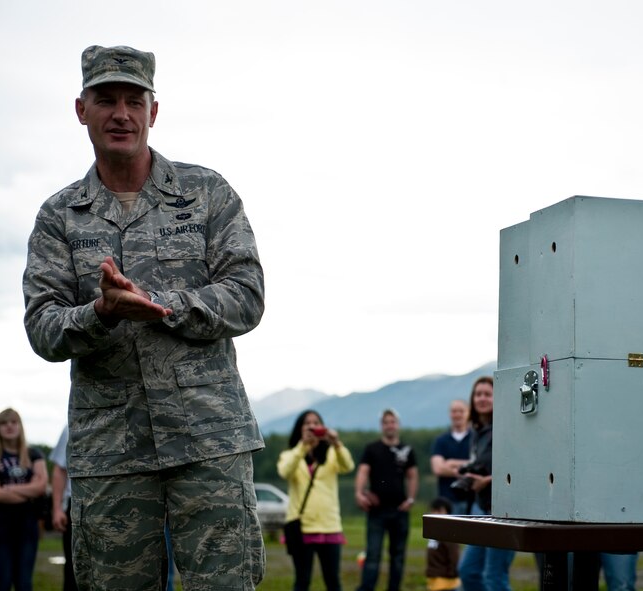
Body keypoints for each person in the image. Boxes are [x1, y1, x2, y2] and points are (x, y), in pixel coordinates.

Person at [22, 45, 265, 591]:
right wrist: (100, 312)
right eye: (105, 99)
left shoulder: (207, 194)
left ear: (154, 111)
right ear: (81, 109)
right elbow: (42, 326)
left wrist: (165, 305)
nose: (121, 114)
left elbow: (247, 296)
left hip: (208, 441)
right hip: (111, 452)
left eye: (135, 100)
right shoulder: (58, 217)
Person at [277, 410, 355, 591]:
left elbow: (348, 466)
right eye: (307, 423)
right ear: (300, 428)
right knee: (302, 581)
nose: (312, 426)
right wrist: (302, 447)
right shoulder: (290, 455)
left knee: (333, 581)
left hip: (329, 525)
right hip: (301, 527)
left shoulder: (332, 454)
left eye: (316, 422)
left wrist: (336, 443)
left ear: (323, 427)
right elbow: (284, 472)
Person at [0, 408, 49, 591]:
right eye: (4, 422)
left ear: (20, 426)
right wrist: (29, 491)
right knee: (3, 581)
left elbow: (42, 487)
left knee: (24, 583)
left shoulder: (34, 454)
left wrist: (11, 488)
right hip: (0, 527)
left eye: (13, 422)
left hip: (27, 526)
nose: (9, 426)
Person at [458, 376, 515, 591]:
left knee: (494, 577)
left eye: (487, 394)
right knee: (469, 572)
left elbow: (519, 468)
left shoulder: (507, 427)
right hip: (482, 508)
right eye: (478, 394)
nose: (482, 398)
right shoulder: (477, 432)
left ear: (497, 397)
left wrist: (486, 481)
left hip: (505, 512)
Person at [355, 408, 419, 591]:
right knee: (373, 554)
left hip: (400, 510)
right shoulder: (372, 449)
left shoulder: (407, 450)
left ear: (398, 425)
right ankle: (367, 588)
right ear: (381, 426)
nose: (390, 425)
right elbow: (362, 472)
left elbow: (413, 475)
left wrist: (411, 499)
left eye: (393, 422)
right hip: (376, 511)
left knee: (398, 556)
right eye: (386, 422)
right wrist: (359, 493)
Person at [429, 399, 472, 515]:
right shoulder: (440, 441)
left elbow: (482, 463)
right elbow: (437, 468)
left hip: (473, 501)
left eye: (461, 411)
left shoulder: (475, 438)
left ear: (468, 413)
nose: (457, 414)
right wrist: (465, 468)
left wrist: (451, 462)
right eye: (454, 411)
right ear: (449, 414)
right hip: (447, 502)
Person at [50, 426, 77, 591]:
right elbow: (60, 470)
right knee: (74, 566)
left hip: (118, 503)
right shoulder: (72, 425)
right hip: (76, 504)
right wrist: (57, 509)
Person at [425, 497, 460, 591]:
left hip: (446, 581)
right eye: (433, 510)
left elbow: (454, 555)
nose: (436, 513)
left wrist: (452, 573)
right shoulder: (433, 532)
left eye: (439, 510)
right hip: (434, 579)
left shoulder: (448, 533)